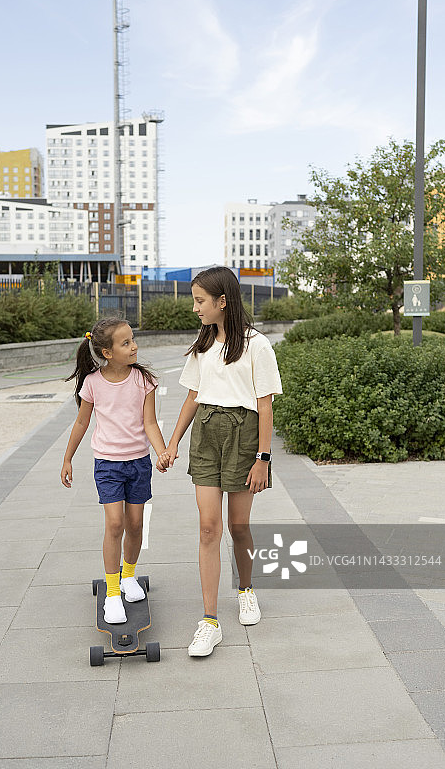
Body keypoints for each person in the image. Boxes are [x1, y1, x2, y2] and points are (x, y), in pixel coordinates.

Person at [157, 267, 282, 657]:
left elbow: (265, 406)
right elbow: (193, 396)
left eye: (200, 301)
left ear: (222, 302)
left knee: (238, 526)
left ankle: (246, 589)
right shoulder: (203, 345)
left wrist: (263, 458)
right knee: (209, 529)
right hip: (207, 434)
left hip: (244, 435)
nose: (195, 308)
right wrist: (173, 442)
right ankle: (209, 622)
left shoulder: (256, 345)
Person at [61, 317, 167, 625]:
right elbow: (82, 422)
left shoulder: (143, 380)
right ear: (107, 352)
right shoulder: (93, 383)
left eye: (133, 340)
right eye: (125, 343)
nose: (134, 346)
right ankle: (111, 593)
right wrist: (67, 458)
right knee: (115, 524)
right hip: (107, 464)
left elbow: (150, 422)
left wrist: (162, 452)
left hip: (139, 463)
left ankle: (129, 576)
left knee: (135, 525)